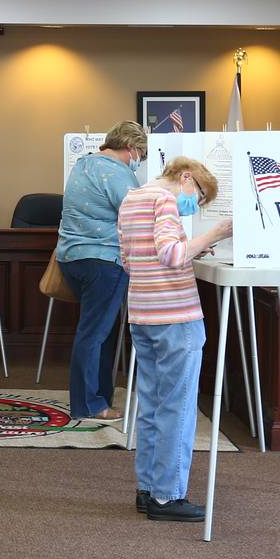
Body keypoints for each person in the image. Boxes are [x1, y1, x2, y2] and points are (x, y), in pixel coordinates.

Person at [117, 156, 233, 523]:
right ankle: (168, 497)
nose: (195, 205)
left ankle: (148, 489)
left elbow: (129, 258)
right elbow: (171, 254)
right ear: (186, 177)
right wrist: (214, 234)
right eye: (198, 196)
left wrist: (192, 245)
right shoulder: (166, 200)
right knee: (179, 409)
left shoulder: (132, 198)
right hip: (175, 315)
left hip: (142, 313)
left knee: (151, 405)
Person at [56, 120, 147, 421]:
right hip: (104, 260)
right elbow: (138, 216)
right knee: (94, 333)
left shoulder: (83, 165)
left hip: (72, 259)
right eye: (140, 156)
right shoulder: (118, 173)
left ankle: (101, 396)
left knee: (101, 332)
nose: (139, 162)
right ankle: (89, 405)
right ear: (132, 149)